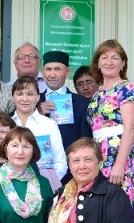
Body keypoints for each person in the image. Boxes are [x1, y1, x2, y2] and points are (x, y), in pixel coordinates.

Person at [87, 39, 134, 218]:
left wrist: (119, 164)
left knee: (119, 209)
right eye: (104, 57)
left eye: (115, 58)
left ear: (123, 63)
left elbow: (130, 128)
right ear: (98, 63)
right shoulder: (97, 93)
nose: (109, 62)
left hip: (119, 154)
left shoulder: (125, 88)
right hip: (99, 154)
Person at [37, 51, 92, 184]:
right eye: (48, 69)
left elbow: (85, 140)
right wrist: (37, 113)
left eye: (57, 69)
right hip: (38, 172)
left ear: (68, 72)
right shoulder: (34, 101)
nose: (52, 74)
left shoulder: (81, 103)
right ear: (42, 72)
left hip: (71, 174)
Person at [11, 76, 66, 189]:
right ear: (13, 97)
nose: (24, 99)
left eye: (30, 94)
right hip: (12, 186)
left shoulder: (49, 124)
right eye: (19, 94)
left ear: (38, 97)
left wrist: (46, 183)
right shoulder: (8, 125)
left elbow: (60, 163)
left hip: (45, 187)